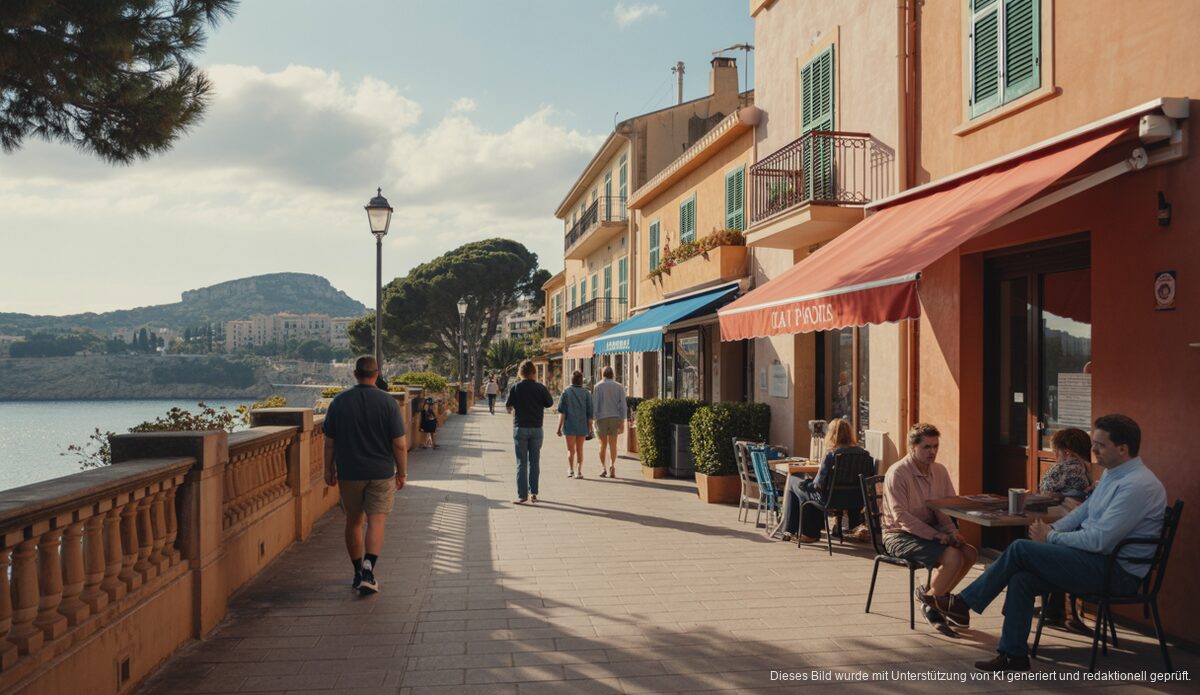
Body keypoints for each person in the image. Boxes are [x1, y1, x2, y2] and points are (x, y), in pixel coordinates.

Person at [958, 414, 1167, 672]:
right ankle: (1013, 655)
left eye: (1100, 445)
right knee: (1021, 579)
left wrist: (1050, 538)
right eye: (1094, 443)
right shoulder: (1113, 474)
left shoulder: (1137, 485)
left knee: (1021, 548)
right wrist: (1052, 530)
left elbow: (1100, 541)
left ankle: (963, 604)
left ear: (1123, 449)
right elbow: (1083, 512)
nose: (1093, 450)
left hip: (1116, 573)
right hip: (1096, 562)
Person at [322, 356, 408, 594]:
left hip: (350, 472)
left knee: (354, 521)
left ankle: (357, 571)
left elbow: (329, 442)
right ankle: (369, 570)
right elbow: (399, 444)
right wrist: (402, 472)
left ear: (354, 374)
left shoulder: (339, 402)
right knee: (376, 521)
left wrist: (328, 469)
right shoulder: (388, 402)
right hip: (381, 473)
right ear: (377, 374)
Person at [881, 422, 978, 631]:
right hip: (898, 534)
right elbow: (900, 516)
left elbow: (944, 507)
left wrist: (952, 532)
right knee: (953, 557)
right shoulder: (898, 473)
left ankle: (934, 596)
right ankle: (932, 606)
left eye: (935, 446)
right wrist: (936, 535)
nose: (932, 452)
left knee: (969, 553)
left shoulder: (939, 471)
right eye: (926, 447)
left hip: (932, 530)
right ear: (912, 447)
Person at [780, 418, 870, 543]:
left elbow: (818, 485)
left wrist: (806, 484)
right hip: (856, 500)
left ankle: (796, 531)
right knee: (805, 492)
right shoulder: (864, 454)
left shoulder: (831, 454)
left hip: (830, 499)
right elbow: (868, 479)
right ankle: (801, 530)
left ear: (831, 434)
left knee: (794, 482)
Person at [505, 359, 554, 504]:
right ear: (534, 372)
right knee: (534, 462)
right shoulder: (540, 388)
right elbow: (550, 403)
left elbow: (508, 405)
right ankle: (534, 493)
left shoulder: (516, 387)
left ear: (521, 372)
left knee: (522, 462)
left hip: (520, 428)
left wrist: (513, 409)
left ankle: (522, 495)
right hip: (537, 429)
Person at [1040, 427, 1093, 512]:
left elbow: (1044, 492)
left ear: (1066, 452)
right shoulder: (1090, 468)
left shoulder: (1062, 468)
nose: (1055, 455)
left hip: (1061, 512)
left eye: (1056, 450)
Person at [556, 370, 594, 479]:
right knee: (580, 449)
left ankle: (571, 469)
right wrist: (590, 428)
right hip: (582, 426)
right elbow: (590, 414)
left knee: (570, 450)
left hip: (569, 425)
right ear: (581, 380)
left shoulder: (566, 392)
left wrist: (559, 428)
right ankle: (579, 471)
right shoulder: (586, 393)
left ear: (571, 379)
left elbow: (562, 412)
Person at [591, 365, 626, 478]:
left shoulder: (598, 386)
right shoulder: (619, 386)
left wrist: (593, 419)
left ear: (603, 374)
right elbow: (623, 405)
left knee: (603, 445)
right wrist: (622, 420)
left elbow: (595, 404)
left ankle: (603, 468)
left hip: (601, 418)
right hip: (614, 417)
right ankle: (612, 465)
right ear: (613, 374)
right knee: (613, 444)